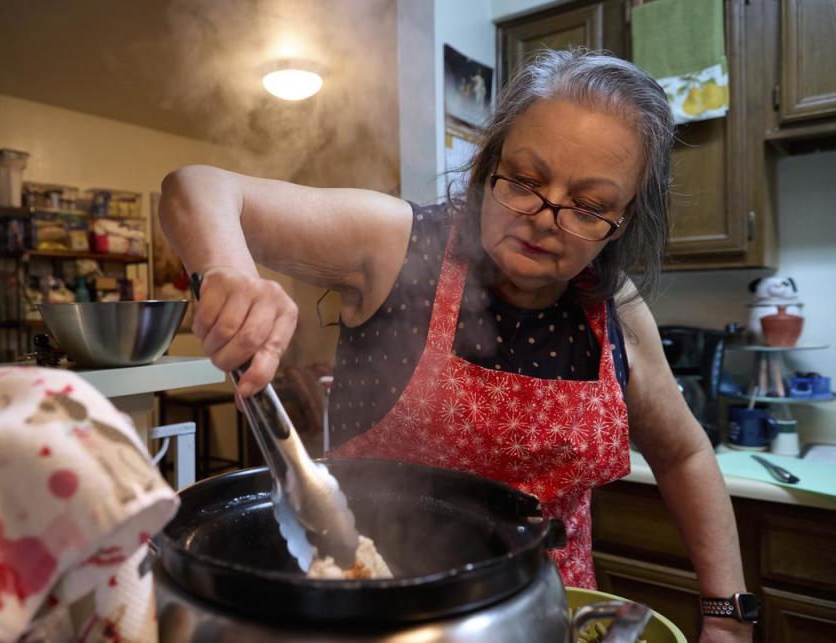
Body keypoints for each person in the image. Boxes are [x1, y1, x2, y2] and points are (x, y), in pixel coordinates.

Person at [158, 49, 752, 642]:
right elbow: (197, 188)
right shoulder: (398, 248)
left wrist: (727, 615)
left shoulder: (613, 309)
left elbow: (684, 455)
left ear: (622, 222)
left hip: (544, 618)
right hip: (374, 615)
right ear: (490, 162)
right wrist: (230, 277)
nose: (546, 217)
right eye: (525, 180)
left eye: (590, 206)